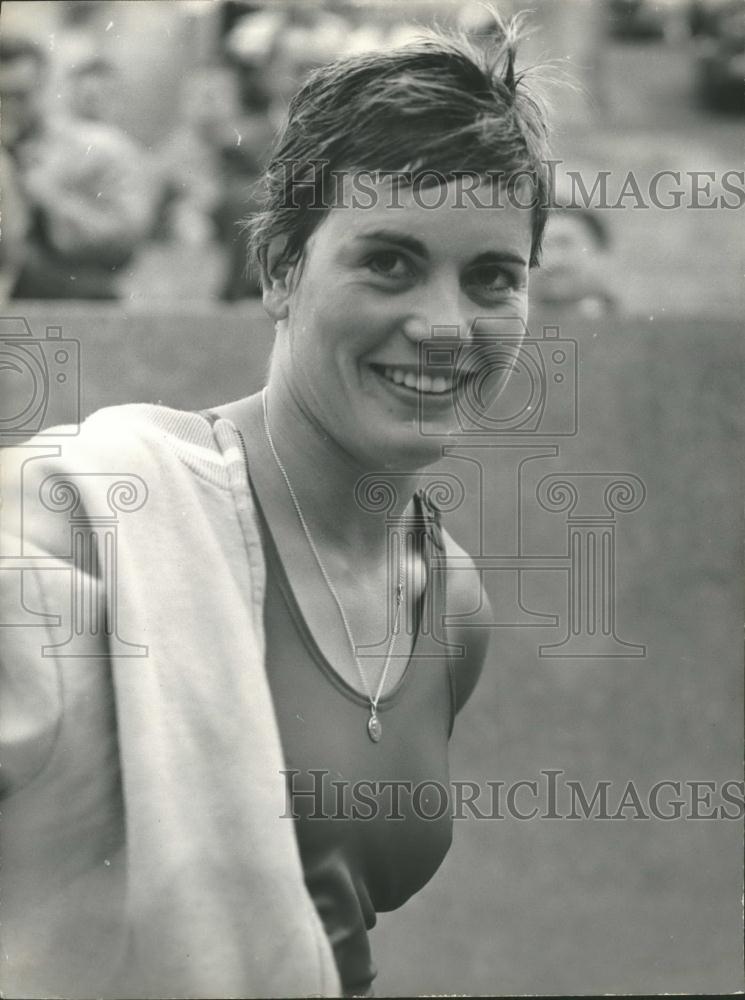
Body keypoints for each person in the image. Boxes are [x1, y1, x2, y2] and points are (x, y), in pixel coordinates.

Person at [0, 15, 552, 999]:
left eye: (491, 277)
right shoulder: (91, 517)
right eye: (388, 260)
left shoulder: (452, 602)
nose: (444, 324)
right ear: (278, 271)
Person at [0, 33, 154, 300]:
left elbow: (125, 238)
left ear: (44, 89)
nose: (4, 108)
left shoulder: (98, 150)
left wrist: (49, 199)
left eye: (18, 96)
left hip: (63, 300)